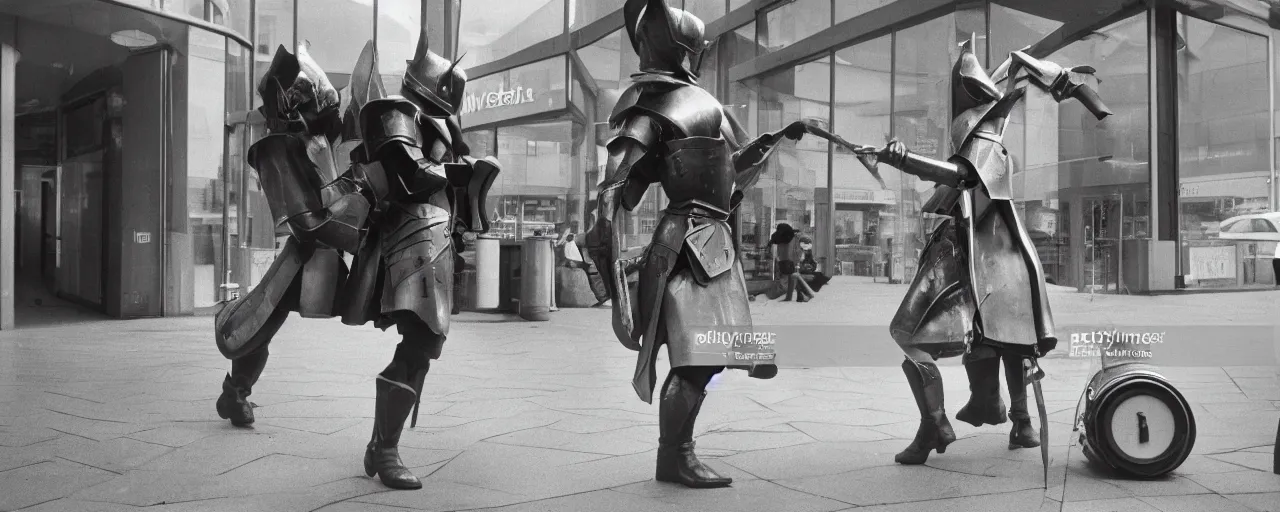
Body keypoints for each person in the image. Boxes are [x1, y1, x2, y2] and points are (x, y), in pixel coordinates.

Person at [212, 27, 501, 491]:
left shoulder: (382, 128)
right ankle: (235, 390)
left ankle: (381, 445)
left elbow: (376, 178)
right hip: (323, 241)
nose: (315, 108)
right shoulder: (295, 145)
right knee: (263, 317)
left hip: (382, 236)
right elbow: (321, 210)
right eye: (306, 102)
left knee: (424, 339)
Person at [586, 0, 819, 489]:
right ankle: (675, 455)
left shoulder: (697, 106)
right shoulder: (650, 104)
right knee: (697, 356)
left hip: (710, 241)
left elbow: (734, 169)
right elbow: (615, 188)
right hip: (687, 245)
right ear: (692, 50)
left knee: (705, 355)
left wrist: (779, 137)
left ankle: (678, 453)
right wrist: (603, 258)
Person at [863, 38, 1112, 465]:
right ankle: (1019, 421)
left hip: (976, 256)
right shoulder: (988, 147)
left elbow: (959, 174)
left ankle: (936, 424)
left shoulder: (989, 149)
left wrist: (904, 160)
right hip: (985, 253)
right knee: (1005, 338)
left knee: (912, 334)